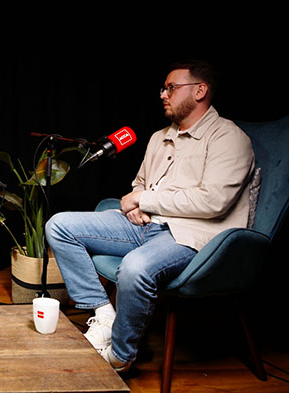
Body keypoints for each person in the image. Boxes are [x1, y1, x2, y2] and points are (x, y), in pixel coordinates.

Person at [46, 60, 254, 371]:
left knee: (135, 267)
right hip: (143, 226)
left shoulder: (229, 138)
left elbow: (214, 202)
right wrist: (135, 205)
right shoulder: (159, 137)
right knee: (59, 225)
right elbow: (140, 184)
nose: (163, 95)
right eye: (163, 88)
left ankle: (120, 357)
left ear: (200, 91)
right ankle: (104, 314)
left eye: (171, 88)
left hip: (189, 236)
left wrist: (145, 199)